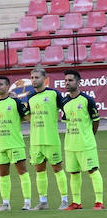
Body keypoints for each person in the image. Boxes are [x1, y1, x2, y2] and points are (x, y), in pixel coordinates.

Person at [26, 66, 68, 210]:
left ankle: (64, 200)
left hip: (51, 139)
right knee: (39, 170)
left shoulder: (54, 94)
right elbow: (28, 115)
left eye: (36, 77)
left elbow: (66, 109)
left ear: (45, 79)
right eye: (32, 77)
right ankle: (43, 201)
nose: (33, 80)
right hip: (36, 141)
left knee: (57, 169)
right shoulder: (30, 96)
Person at [61, 68, 102, 210]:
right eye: (66, 80)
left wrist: (90, 135)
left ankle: (99, 201)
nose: (67, 83)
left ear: (79, 82)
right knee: (73, 173)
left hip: (86, 144)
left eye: (70, 80)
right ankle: (76, 202)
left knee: (93, 171)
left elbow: (96, 120)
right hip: (70, 145)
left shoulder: (87, 100)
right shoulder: (64, 101)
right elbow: (67, 122)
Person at [0, 75, 32, 212]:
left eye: (1, 84)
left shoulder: (16, 102)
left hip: (15, 143)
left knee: (22, 172)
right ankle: (6, 203)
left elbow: (27, 117)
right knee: (3, 175)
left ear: (8, 86)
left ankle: (27, 202)